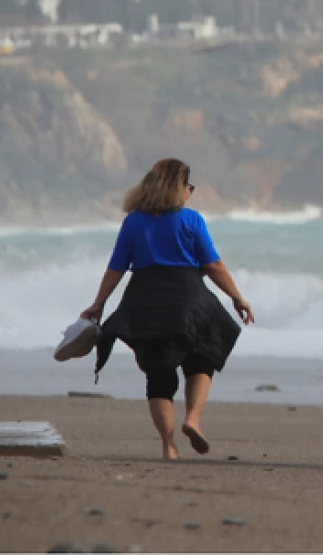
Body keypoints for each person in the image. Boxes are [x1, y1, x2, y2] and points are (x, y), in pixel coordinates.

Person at [79, 158, 254, 460]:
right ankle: (193, 419)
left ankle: (168, 445)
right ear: (179, 188)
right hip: (187, 295)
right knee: (202, 358)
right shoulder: (191, 220)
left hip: (143, 299)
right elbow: (212, 265)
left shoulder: (133, 221)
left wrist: (99, 303)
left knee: (158, 374)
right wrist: (237, 297)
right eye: (190, 186)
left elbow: (116, 268)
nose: (191, 192)